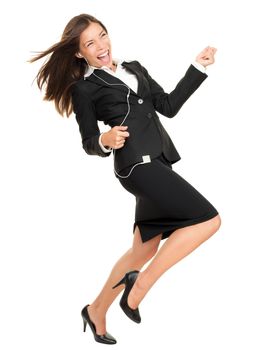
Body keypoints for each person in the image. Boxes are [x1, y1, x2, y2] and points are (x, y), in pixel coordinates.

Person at [30, 13, 221, 345]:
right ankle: (139, 287)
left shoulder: (133, 67)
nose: (101, 46)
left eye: (102, 35)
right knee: (209, 221)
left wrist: (198, 67)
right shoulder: (84, 89)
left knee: (141, 251)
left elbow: (169, 106)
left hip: (160, 162)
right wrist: (105, 141)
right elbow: (89, 140)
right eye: (90, 43)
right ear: (79, 53)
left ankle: (96, 310)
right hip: (136, 168)